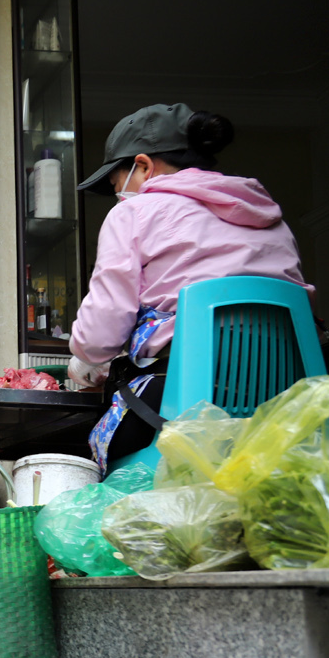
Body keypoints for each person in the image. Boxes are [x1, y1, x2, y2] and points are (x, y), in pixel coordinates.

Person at [66, 104, 313, 474]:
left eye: (118, 185)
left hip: (181, 413)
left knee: (86, 446)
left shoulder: (134, 212)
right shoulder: (271, 220)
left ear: (144, 166)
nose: (119, 196)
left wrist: (83, 356)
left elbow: (101, 333)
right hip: (283, 417)